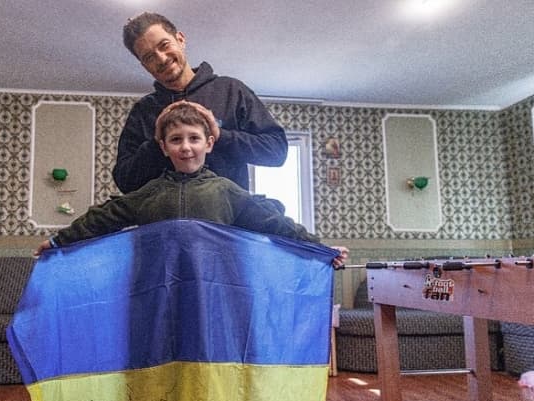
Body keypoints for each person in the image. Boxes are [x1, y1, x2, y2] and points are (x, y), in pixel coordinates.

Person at [36, 103, 349, 267]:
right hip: (158, 288)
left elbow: (276, 223)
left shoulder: (227, 191)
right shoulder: (149, 194)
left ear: (209, 143)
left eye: (194, 138)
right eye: (176, 139)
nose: (186, 147)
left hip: (215, 287)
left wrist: (320, 248)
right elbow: (103, 217)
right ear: (164, 147)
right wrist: (58, 242)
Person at [113, 12, 288, 194]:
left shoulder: (231, 91)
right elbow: (125, 182)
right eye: (149, 57)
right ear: (144, 65)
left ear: (180, 39)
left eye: (164, 45)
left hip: (229, 211)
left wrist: (220, 136)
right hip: (163, 212)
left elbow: (277, 152)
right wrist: (156, 144)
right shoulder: (143, 111)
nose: (162, 59)